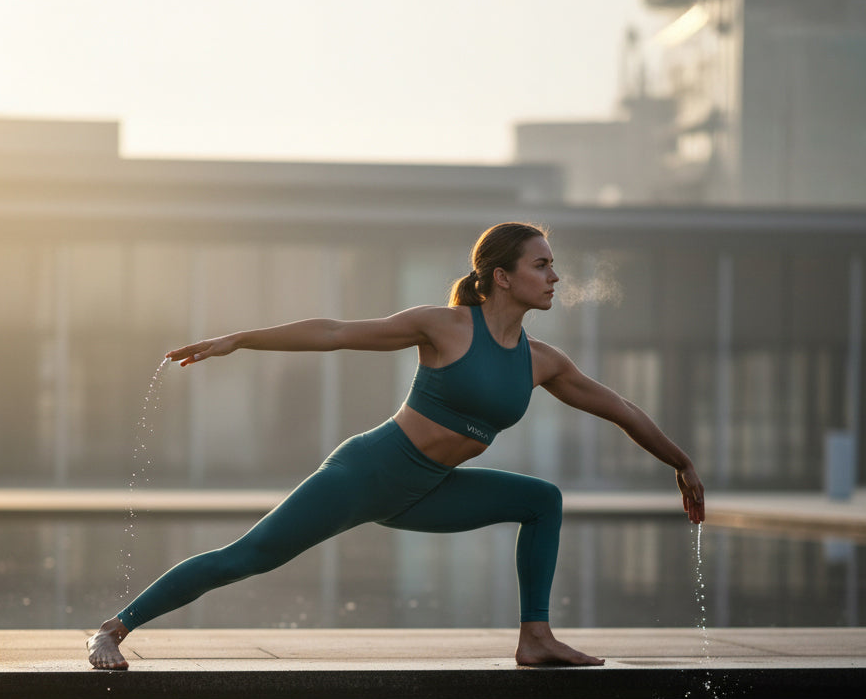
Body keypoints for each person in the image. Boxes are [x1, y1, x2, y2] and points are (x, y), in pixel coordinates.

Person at [87, 222, 705, 671]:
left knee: (541, 500)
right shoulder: (443, 327)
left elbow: (619, 408)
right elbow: (335, 332)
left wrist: (680, 462)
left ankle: (535, 638)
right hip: (368, 471)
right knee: (247, 557)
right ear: (502, 276)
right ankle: (113, 630)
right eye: (541, 265)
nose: (554, 276)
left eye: (552, 265)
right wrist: (240, 340)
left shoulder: (542, 362)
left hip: (425, 491)